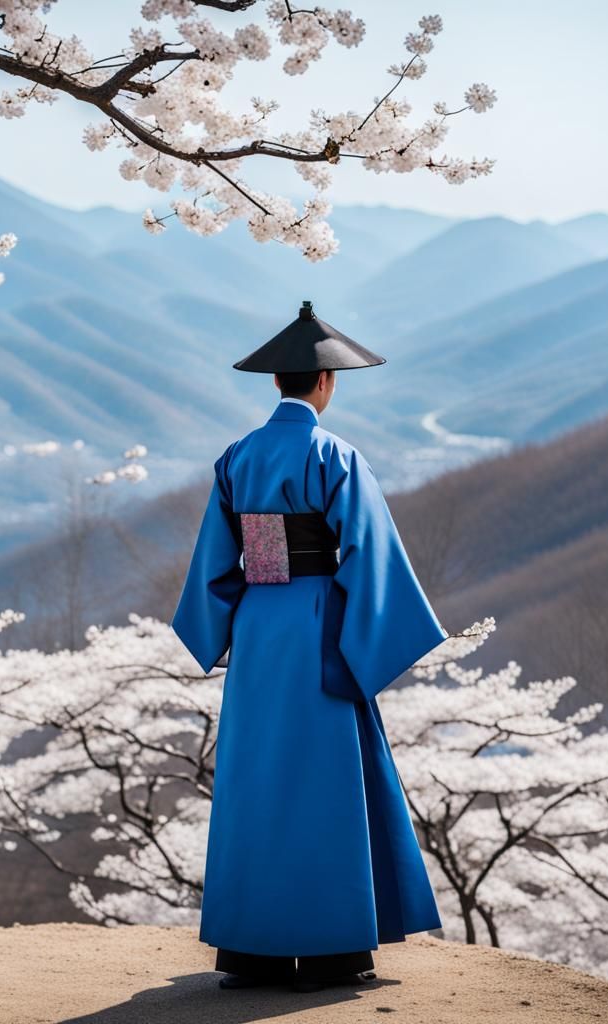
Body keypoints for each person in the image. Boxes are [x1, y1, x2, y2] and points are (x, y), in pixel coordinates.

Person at [170, 300, 450, 994]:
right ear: (326, 384)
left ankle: (253, 951)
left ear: (277, 383)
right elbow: (368, 557)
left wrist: (229, 629)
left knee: (259, 779)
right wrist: (367, 642)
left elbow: (215, 565)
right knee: (325, 781)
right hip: (321, 626)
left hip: (262, 629)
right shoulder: (336, 455)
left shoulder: (237, 457)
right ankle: (330, 950)